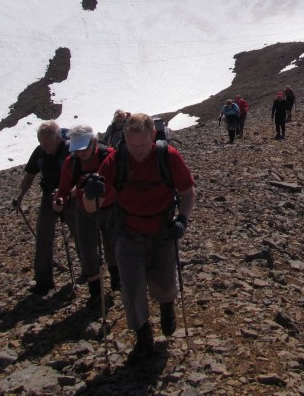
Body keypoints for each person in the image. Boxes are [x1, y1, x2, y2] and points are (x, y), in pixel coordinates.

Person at [83, 112, 194, 363]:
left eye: (143, 144)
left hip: (163, 231)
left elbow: (187, 192)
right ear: (124, 139)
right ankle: (143, 336)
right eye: (133, 145)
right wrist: (90, 193)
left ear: (153, 136)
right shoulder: (116, 160)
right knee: (132, 289)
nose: (138, 151)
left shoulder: (168, 156)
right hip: (129, 233)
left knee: (164, 283)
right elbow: (91, 207)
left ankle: (167, 306)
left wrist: (182, 220)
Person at [53, 124, 118, 309]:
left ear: (93, 142)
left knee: (113, 247)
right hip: (84, 211)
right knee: (87, 251)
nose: (80, 153)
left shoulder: (110, 156)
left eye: (84, 149)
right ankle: (96, 293)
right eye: (77, 150)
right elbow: (64, 188)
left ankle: (117, 281)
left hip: (111, 208)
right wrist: (59, 199)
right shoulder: (72, 162)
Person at [12, 120, 79, 295]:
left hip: (70, 198)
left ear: (58, 138)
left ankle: (89, 271)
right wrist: (20, 195)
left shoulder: (70, 150)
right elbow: (30, 175)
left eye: (47, 143)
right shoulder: (40, 152)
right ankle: (43, 281)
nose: (44, 146)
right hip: (49, 197)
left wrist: (70, 194)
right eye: (41, 143)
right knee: (43, 237)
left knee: (79, 234)